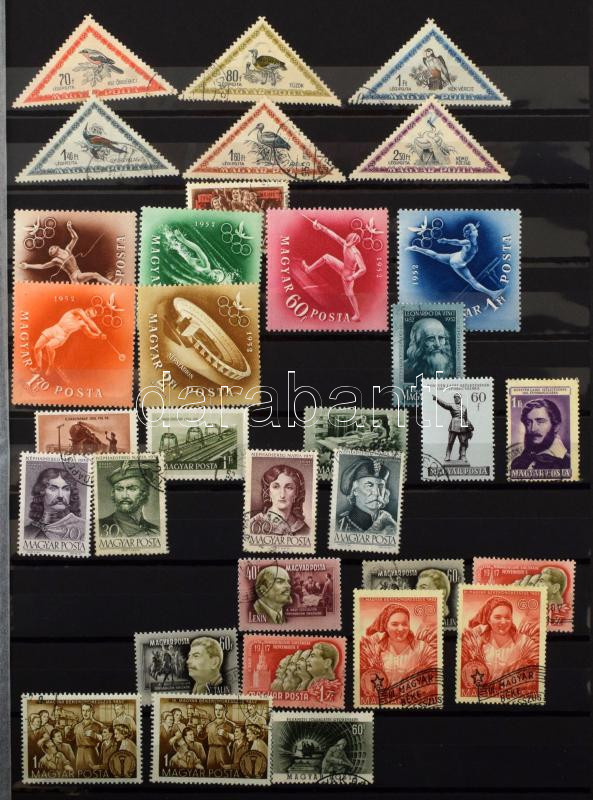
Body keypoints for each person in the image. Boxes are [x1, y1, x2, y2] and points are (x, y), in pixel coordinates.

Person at [406, 222, 504, 301]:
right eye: (474, 230)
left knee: (435, 255)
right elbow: (457, 242)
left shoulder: (471, 239)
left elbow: (470, 233)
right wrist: (445, 240)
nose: (477, 230)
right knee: (472, 281)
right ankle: (492, 294)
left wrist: (474, 227)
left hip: (456, 257)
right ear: (470, 234)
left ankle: (416, 248)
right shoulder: (468, 242)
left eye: (475, 228)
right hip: (458, 262)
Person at [461, 595, 540, 685]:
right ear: (488, 619)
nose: (503, 622)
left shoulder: (524, 642)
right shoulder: (477, 643)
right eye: (498, 617)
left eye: (507, 617)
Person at [301, 216, 367, 321]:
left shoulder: (356, 253)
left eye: (349, 242)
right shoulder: (345, 244)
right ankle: (308, 269)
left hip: (348, 275)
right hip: (343, 267)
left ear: (354, 242)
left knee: (350, 295)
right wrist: (320, 227)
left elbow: (363, 269)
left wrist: (352, 277)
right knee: (326, 257)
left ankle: (357, 315)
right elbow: (333, 234)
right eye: (346, 242)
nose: (346, 244)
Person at [359, 604, 436, 690]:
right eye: (395, 624)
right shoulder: (375, 650)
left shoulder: (422, 649)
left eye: (404, 624)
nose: (401, 629)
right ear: (386, 626)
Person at [20, 221, 114, 284]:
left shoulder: (68, 250)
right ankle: (112, 285)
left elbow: (75, 238)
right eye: (50, 250)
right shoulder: (56, 260)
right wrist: (27, 265)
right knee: (95, 275)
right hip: (75, 277)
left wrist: (69, 228)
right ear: (53, 254)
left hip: (79, 275)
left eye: (51, 247)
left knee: (95, 275)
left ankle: (112, 285)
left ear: (57, 247)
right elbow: (42, 266)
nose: (51, 248)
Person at [33, 305, 105, 375]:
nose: (87, 316)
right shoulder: (78, 310)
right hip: (55, 328)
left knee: (49, 346)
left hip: (62, 335)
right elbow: (88, 321)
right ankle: (38, 367)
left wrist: (99, 336)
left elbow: (90, 334)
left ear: (92, 317)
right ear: (87, 309)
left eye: (90, 316)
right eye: (88, 313)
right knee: (37, 348)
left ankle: (51, 365)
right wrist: (100, 332)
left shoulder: (83, 324)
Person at [98, 460, 160, 537]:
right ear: (113, 493)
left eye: (132, 489)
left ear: (144, 492)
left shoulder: (157, 531)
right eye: (119, 489)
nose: (124, 495)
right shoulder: (99, 527)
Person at [337, 456, 397, 535]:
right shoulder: (340, 525)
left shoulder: (391, 525)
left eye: (381, 486)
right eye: (369, 485)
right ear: (354, 490)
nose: (377, 492)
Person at [24, 467, 84, 541]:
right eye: (53, 489)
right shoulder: (27, 531)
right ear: (41, 491)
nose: (60, 495)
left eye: (66, 489)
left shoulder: (82, 528)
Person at [510, 398, 571, 472]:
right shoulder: (518, 462)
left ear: (556, 427)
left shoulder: (567, 463)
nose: (533, 429)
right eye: (528, 422)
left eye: (540, 421)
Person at [250, 464, 310, 537]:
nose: (282, 495)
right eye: (276, 487)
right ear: (269, 492)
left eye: (289, 487)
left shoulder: (305, 530)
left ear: (296, 493)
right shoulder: (254, 524)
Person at [403, 317, 455, 383]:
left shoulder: (451, 367)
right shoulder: (404, 369)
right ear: (417, 342)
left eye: (441, 338)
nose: (438, 345)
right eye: (430, 339)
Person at [433, 391, 473, 463]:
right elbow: (444, 404)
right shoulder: (452, 405)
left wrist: (470, 427)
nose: (456, 399)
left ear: (460, 398)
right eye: (455, 398)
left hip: (463, 426)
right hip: (453, 425)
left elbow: (466, 418)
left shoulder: (464, 407)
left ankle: (463, 456)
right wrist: (436, 399)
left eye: (457, 397)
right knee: (450, 442)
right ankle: (447, 456)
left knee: (463, 442)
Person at [73, 703, 103, 772]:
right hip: (80, 754)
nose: (85, 713)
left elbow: (104, 738)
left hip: (91, 753)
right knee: (80, 775)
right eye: (83, 710)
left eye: (88, 710)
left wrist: (95, 735)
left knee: (93, 774)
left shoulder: (98, 725)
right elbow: (71, 739)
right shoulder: (77, 726)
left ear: (92, 712)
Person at [205, 703, 234, 769]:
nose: (217, 712)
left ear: (225, 711)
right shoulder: (209, 725)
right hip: (211, 752)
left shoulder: (231, 725)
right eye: (216, 709)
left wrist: (226, 734)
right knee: (210, 771)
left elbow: (236, 738)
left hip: (223, 751)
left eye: (220, 710)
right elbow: (202, 738)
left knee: (225, 771)